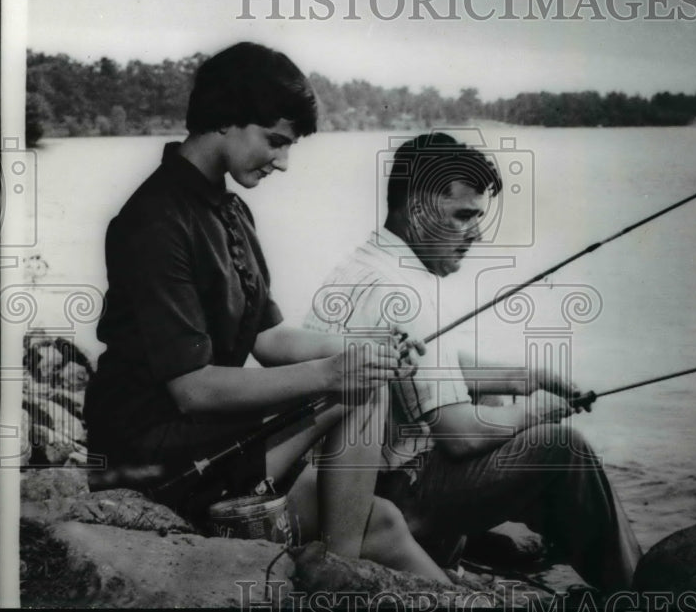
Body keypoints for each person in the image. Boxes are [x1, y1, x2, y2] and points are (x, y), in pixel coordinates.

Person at [83, 43, 449, 582]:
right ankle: (341, 574)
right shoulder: (154, 221)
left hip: (203, 435)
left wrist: (365, 348)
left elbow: (270, 338)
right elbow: (193, 388)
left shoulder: (231, 210)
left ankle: (392, 576)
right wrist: (335, 373)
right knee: (361, 388)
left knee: (385, 519)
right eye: (275, 141)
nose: (283, 161)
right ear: (225, 119)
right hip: (153, 457)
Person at [303, 132, 643, 592]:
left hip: (340, 481)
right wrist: (541, 411)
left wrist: (522, 378)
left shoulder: (367, 264)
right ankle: (639, 589)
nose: (476, 235)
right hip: (379, 500)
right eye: (464, 216)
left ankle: (485, 552)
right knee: (565, 450)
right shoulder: (402, 291)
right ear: (417, 209)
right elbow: (461, 436)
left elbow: (422, 363)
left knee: (494, 392)